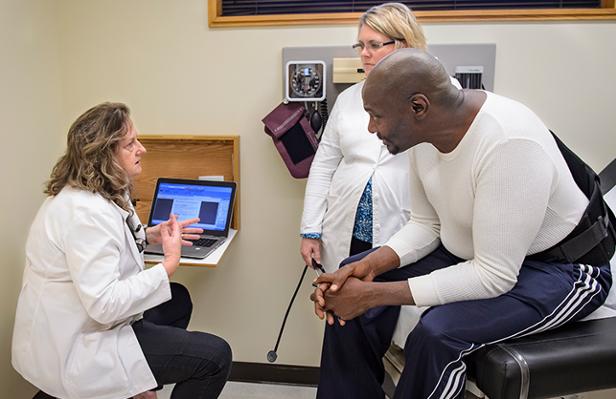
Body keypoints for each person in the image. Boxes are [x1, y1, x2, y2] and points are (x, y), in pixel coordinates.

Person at [310, 49, 612, 399]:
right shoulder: (425, 135)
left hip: (563, 270)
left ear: (418, 107)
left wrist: (374, 295)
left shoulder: (508, 142)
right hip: (480, 255)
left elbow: (495, 275)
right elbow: (427, 225)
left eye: (376, 116)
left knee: (438, 333)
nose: (371, 128)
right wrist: (366, 267)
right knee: (349, 278)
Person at [11, 103, 232, 399]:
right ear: (104, 155)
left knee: (177, 299)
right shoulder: (83, 213)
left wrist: (151, 234)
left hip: (91, 321)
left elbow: (115, 239)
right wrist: (168, 263)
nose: (142, 149)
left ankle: (138, 387)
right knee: (215, 357)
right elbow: (104, 305)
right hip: (78, 343)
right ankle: (131, 385)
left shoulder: (105, 191)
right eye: (130, 144)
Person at [300, 3, 431, 271]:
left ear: (403, 44)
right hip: (344, 229)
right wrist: (310, 230)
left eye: (374, 45)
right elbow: (324, 166)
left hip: (403, 228)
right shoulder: (349, 99)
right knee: (340, 303)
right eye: (360, 46)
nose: (365, 54)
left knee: (397, 306)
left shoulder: (438, 94)